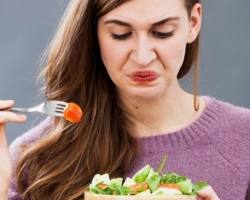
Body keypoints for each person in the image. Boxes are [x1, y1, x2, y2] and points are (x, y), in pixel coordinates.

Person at [0, 0, 249, 199]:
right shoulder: (37, 157)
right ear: (93, 34)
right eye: (120, 34)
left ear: (193, 23)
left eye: (162, 33)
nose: (142, 57)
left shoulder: (243, 137)